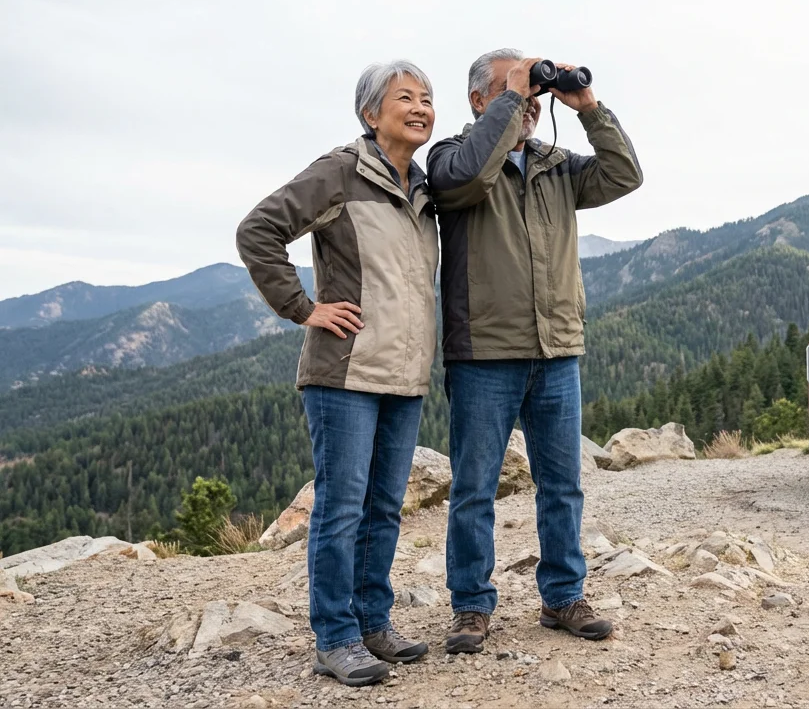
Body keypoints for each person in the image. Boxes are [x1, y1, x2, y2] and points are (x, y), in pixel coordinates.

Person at [426, 48, 643, 653]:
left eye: (531, 90)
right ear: (479, 100)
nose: (529, 99)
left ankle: (563, 597)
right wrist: (512, 97)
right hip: (484, 354)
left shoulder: (556, 165)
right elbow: (468, 177)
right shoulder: (451, 158)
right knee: (474, 487)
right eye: (510, 88)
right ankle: (471, 606)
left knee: (562, 484)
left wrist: (587, 108)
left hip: (557, 350)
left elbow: (625, 175)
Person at [236, 60, 439, 687]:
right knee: (342, 508)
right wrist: (304, 309)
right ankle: (336, 637)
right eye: (404, 97)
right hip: (344, 374)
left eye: (427, 99)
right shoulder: (339, 172)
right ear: (370, 113)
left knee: (383, 507)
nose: (420, 107)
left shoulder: (424, 188)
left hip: (404, 375)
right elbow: (259, 230)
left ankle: (374, 622)